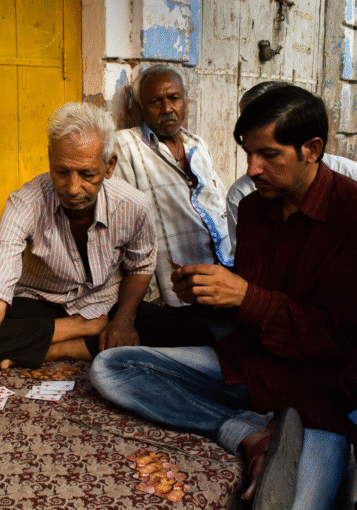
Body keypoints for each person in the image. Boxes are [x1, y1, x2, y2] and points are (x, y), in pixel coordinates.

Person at [91, 85, 357, 510]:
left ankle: (314, 449)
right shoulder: (254, 210)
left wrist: (246, 296)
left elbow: (338, 339)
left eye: (269, 155)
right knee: (112, 369)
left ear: (311, 149)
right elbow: (253, 298)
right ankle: (248, 431)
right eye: (248, 153)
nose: (252, 169)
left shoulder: (351, 214)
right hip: (250, 366)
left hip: (321, 389)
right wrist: (210, 291)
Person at [0, 101, 190, 438]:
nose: (73, 188)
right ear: (49, 160)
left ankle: (64, 347)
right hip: (44, 304)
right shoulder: (25, 203)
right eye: (62, 172)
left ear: (109, 165)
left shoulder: (133, 206)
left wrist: (124, 319)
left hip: (107, 302)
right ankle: (80, 332)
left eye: (87, 174)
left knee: (192, 335)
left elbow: (141, 265)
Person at [113, 64, 233, 342]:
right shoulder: (127, 145)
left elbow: (217, 205)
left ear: (184, 102)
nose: (167, 108)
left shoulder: (197, 144)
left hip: (219, 275)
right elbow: (123, 224)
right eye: (156, 101)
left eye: (174, 98)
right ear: (141, 107)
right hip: (173, 292)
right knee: (209, 345)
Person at [226, 80, 357, 257]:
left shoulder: (350, 182)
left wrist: (243, 287)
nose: (252, 170)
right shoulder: (244, 198)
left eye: (270, 153)